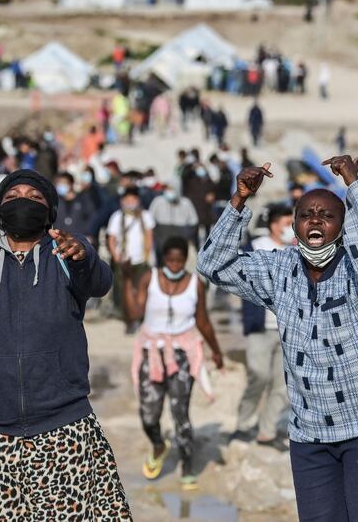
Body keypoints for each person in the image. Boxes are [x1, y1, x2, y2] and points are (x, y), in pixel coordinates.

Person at [0, 169, 130, 519]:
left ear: (50, 212)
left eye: (34, 198)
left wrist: (85, 256)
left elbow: (99, 282)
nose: (23, 200)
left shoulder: (66, 249)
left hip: (63, 429)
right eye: (13, 195)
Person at [197, 155, 358, 521]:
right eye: (306, 215)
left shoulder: (356, 270)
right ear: (296, 225)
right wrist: (238, 202)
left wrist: (354, 185)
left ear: (343, 228)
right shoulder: (278, 268)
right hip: (308, 439)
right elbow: (211, 265)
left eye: (327, 216)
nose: (315, 220)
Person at [123, 236, 223, 489]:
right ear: (163, 259)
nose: (176, 265)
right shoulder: (150, 278)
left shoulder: (194, 284)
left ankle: (187, 464)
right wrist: (126, 280)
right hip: (151, 351)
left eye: (180, 260)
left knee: (180, 413)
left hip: (182, 354)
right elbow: (134, 314)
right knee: (148, 414)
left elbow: (203, 321)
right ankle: (159, 445)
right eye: (171, 260)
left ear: (185, 259)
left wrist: (216, 352)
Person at [232, 205, 294, 449]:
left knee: (283, 385)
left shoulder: (299, 251)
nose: (290, 228)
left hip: (289, 329)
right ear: (274, 224)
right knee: (258, 375)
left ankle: (267, 431)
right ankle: (243, 425)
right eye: (287, 223)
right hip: (261, 325)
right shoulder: (256, 247)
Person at [107, 186, 156, 333]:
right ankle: (128, 319)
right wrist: (116, 256)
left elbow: (149, 235)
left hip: (141, 260)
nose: (130, 202)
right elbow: (112, 238)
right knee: (124, 291)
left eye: (133, 198)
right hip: (124, 260)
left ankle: (140, 317)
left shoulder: (145, 216)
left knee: (141, 289)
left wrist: (148, 255)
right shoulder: (117, 217)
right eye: (127, 199)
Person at [149, 184, 199, 261]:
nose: (169, 192)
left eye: (172, 189)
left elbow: (194, 220)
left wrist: (187, 233)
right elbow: (150, 217)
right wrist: (156, 232)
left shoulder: (185, 202)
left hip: (180, 234)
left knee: (178, 258)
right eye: (167, 189)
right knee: (162, 258)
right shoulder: (158, 201)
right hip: (162, 234)